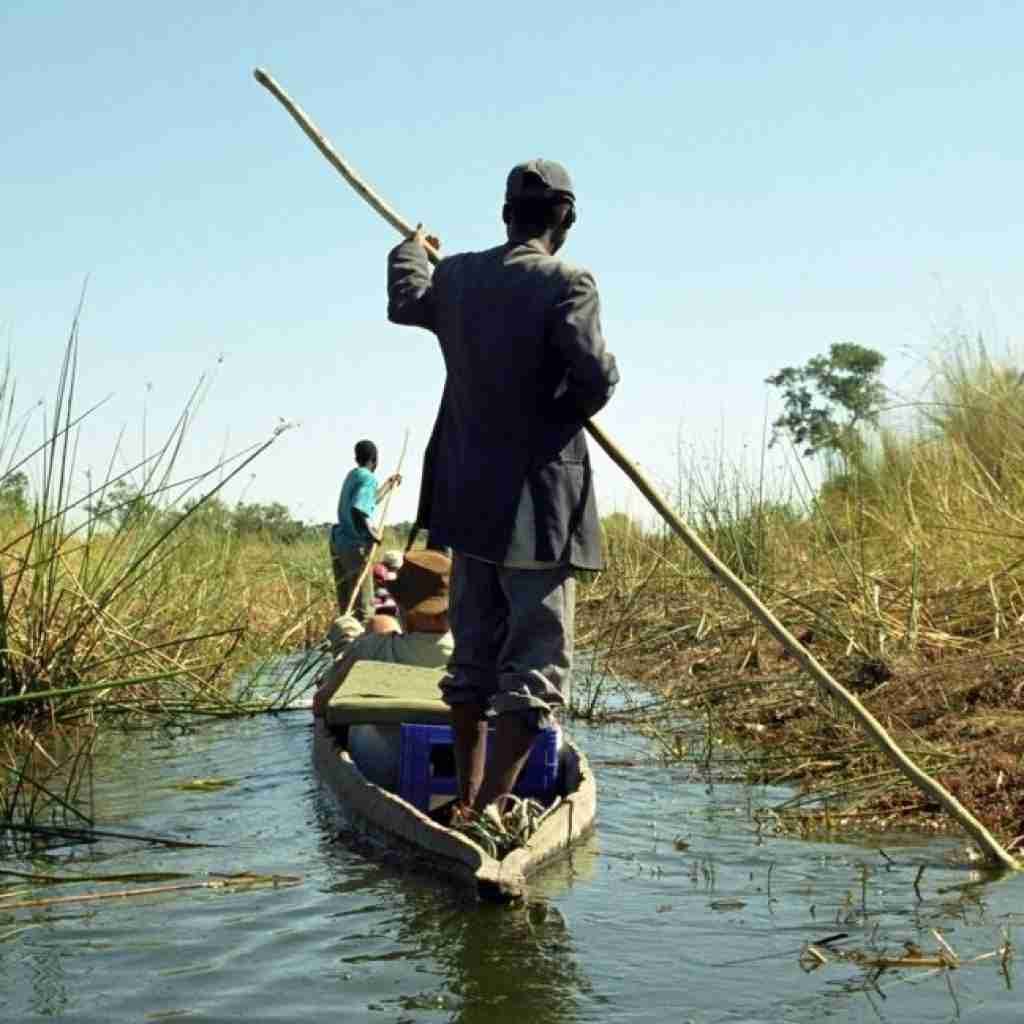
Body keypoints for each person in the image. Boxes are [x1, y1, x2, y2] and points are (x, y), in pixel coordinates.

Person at [386, 159, 619, 815]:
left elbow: (408, 299)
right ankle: (490, 812)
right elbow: (595, 378)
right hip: (540, 501)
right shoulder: (569, 281)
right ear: (565, 220)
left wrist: (411, 250)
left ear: (506, 215)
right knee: (537, 662)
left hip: (467, 499)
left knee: (474, 657)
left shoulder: (455, 276)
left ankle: (464, 802)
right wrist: (559, 404)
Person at [312, 549, 454, 717]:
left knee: (348, 625)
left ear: (405, 610)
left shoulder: (370, 649)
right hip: (444, 731)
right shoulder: (472, 654)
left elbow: (320, 705)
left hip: (378, 736)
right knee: (377, 624)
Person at [329, 439, 400, 620]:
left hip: (339, 542)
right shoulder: (368, 479)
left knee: (347, 603)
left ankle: (345, 639)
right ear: (375, 460)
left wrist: (388, 484)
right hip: (355, 545)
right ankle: (362, 643)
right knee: (364, 607)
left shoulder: (354, 475)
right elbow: (358, 510)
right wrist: (371, 533)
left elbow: (369, 502)